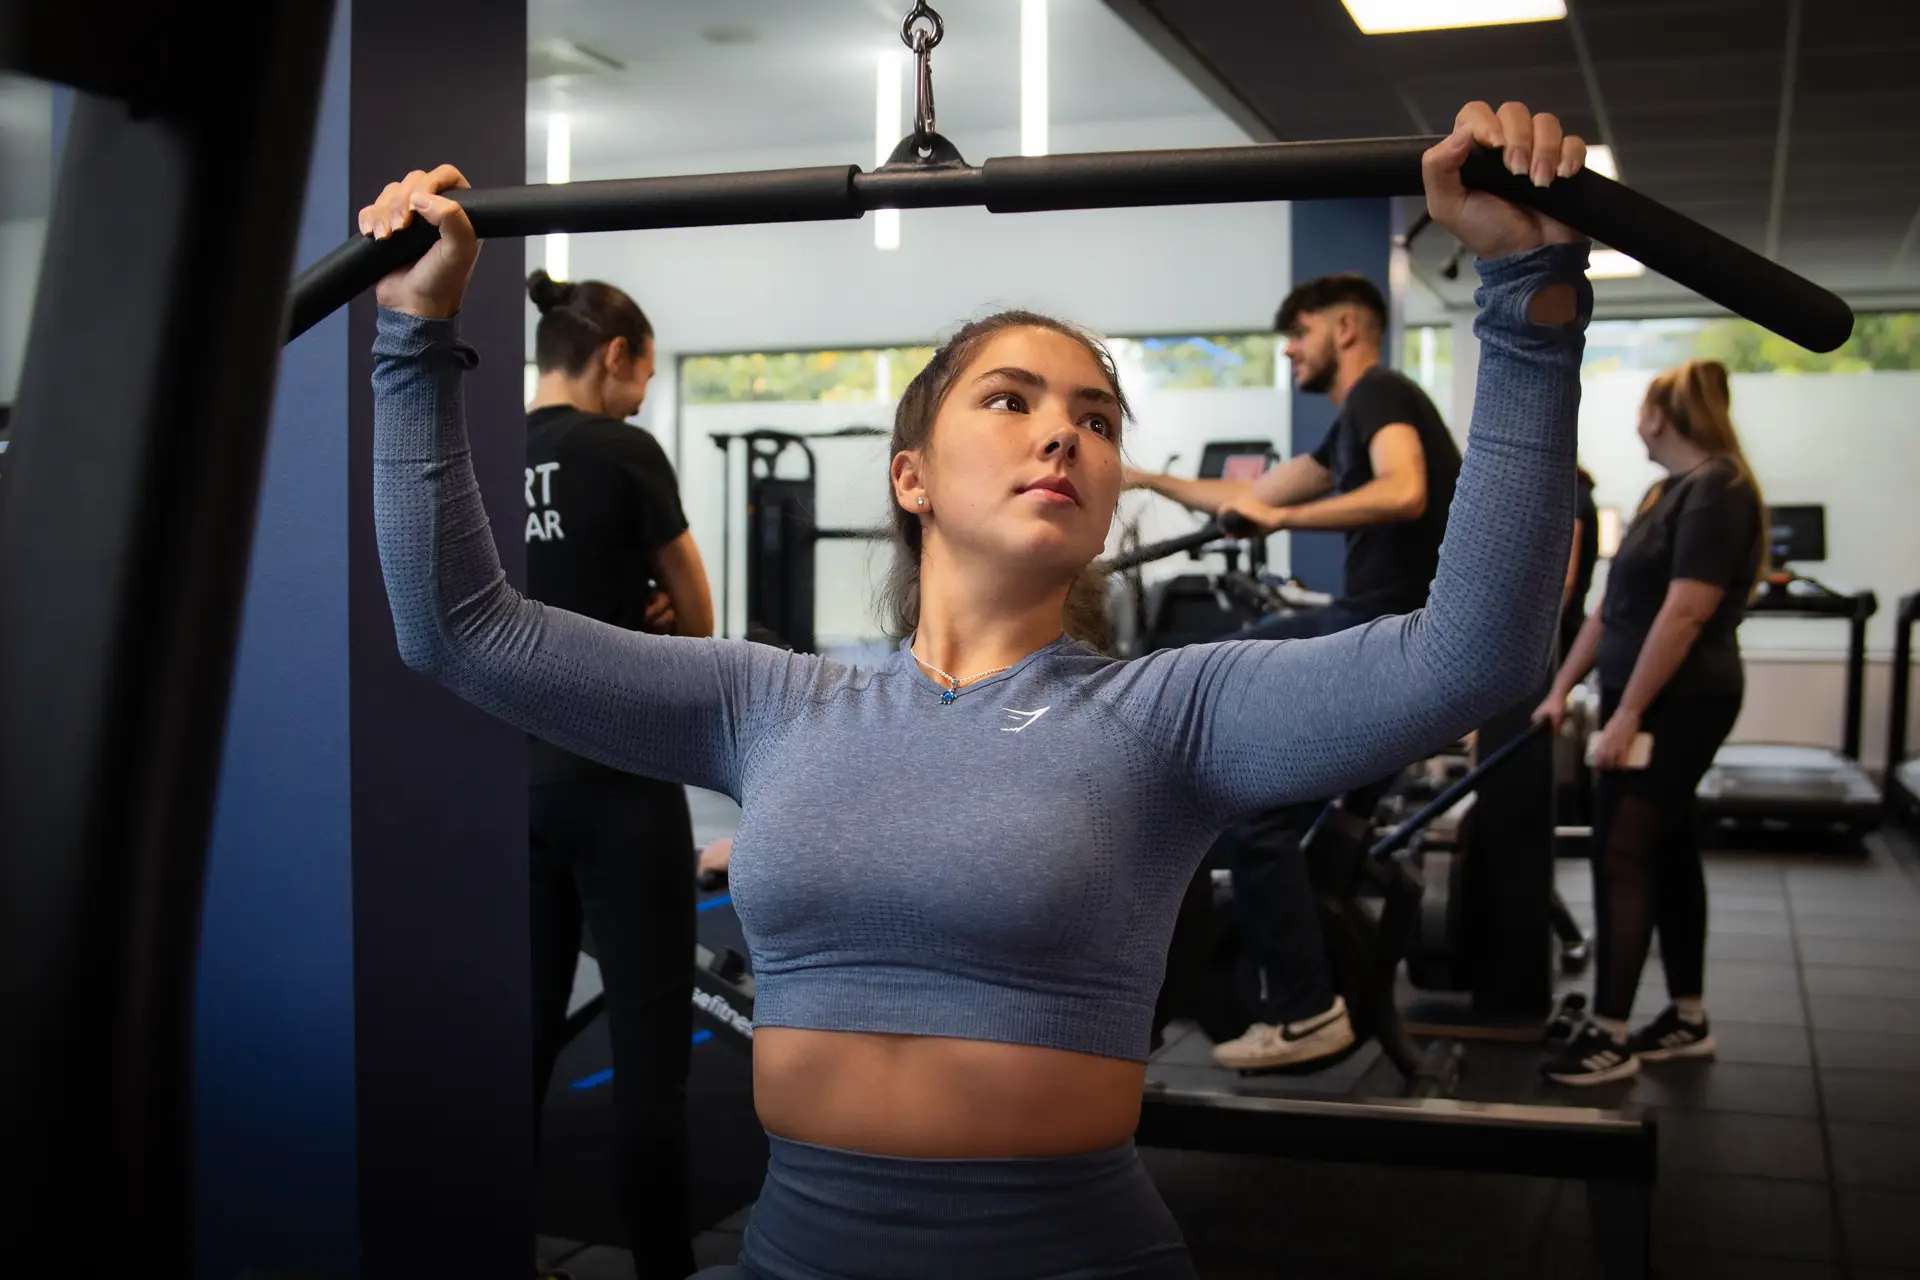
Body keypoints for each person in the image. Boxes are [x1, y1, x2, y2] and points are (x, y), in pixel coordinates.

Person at [360, 101, 1591, 1280]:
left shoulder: (1172, 716)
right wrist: (413, 337)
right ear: (913, 477)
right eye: (1011, 399)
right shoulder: (772, 703)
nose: (1064, 434)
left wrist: (1527, 309)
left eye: (1097, 419)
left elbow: (1473, 653)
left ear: (1109, 496)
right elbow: (461, 630)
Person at [1125, 274, 1463, 1070]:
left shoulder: (1379, 391)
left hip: (1386, 634)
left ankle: (1308, 1006)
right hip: (1392, 638)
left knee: (1221, 722)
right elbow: (1247, 496)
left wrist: (1282, 517)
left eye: (1299, 331)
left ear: (1346, 326)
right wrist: (1142, 479)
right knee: (1263, 808)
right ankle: (1299, 979)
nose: (1289, 349)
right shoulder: (1353, 424)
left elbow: (1405, 491)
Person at [521, 268, 715, 1278]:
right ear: (613, 356)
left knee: (519, 1030)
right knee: (648, 1045)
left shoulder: (484, 443)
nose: (641, 392)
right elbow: (699, 610)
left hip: (506, 776)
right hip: (618, 773)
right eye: (641, 372)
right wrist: (660, 615)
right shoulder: (622, 448)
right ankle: (661, 1266)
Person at [1535, 361, 1764, 1086]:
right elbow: (1613, 607)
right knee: (1667, 848)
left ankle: (1610, 1034)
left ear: (1663, 414)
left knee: (1623, 851)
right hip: (1650, 698)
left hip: (1681, 701)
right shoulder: (1667, 492)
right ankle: (1687, 1016)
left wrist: (1628, 713)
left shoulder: (1719, 490)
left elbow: (1687, 610)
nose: (1637, 420)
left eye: (1642, 407)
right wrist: (1562, 687)